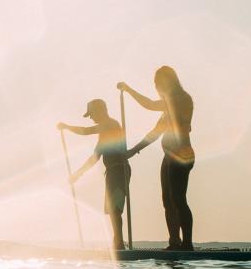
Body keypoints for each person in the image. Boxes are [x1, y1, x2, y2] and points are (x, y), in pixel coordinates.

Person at [117, 66, 194, 250]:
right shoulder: (166, 110)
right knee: (167, 200)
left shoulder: (182, 99)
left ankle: (187, 243)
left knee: (178, 199)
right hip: (168, 157)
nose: (157, 87)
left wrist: (128, 89)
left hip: (182, 155)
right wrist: (132, 151)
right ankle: (174, 242)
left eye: (158, 83)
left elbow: (150, 105)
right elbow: (153, 134)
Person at [57, 99, 130, 251]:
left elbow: (85, 131)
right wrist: (77, 174)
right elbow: (95, 157)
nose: (91, 117)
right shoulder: (104, 134)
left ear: (101, 110)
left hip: (119, 170)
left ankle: (120, 245)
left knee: (115, 209)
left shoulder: (112, 124)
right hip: (111, 171)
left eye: (92, 114)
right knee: (111, 210)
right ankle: (117, 243)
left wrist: (67, 127)